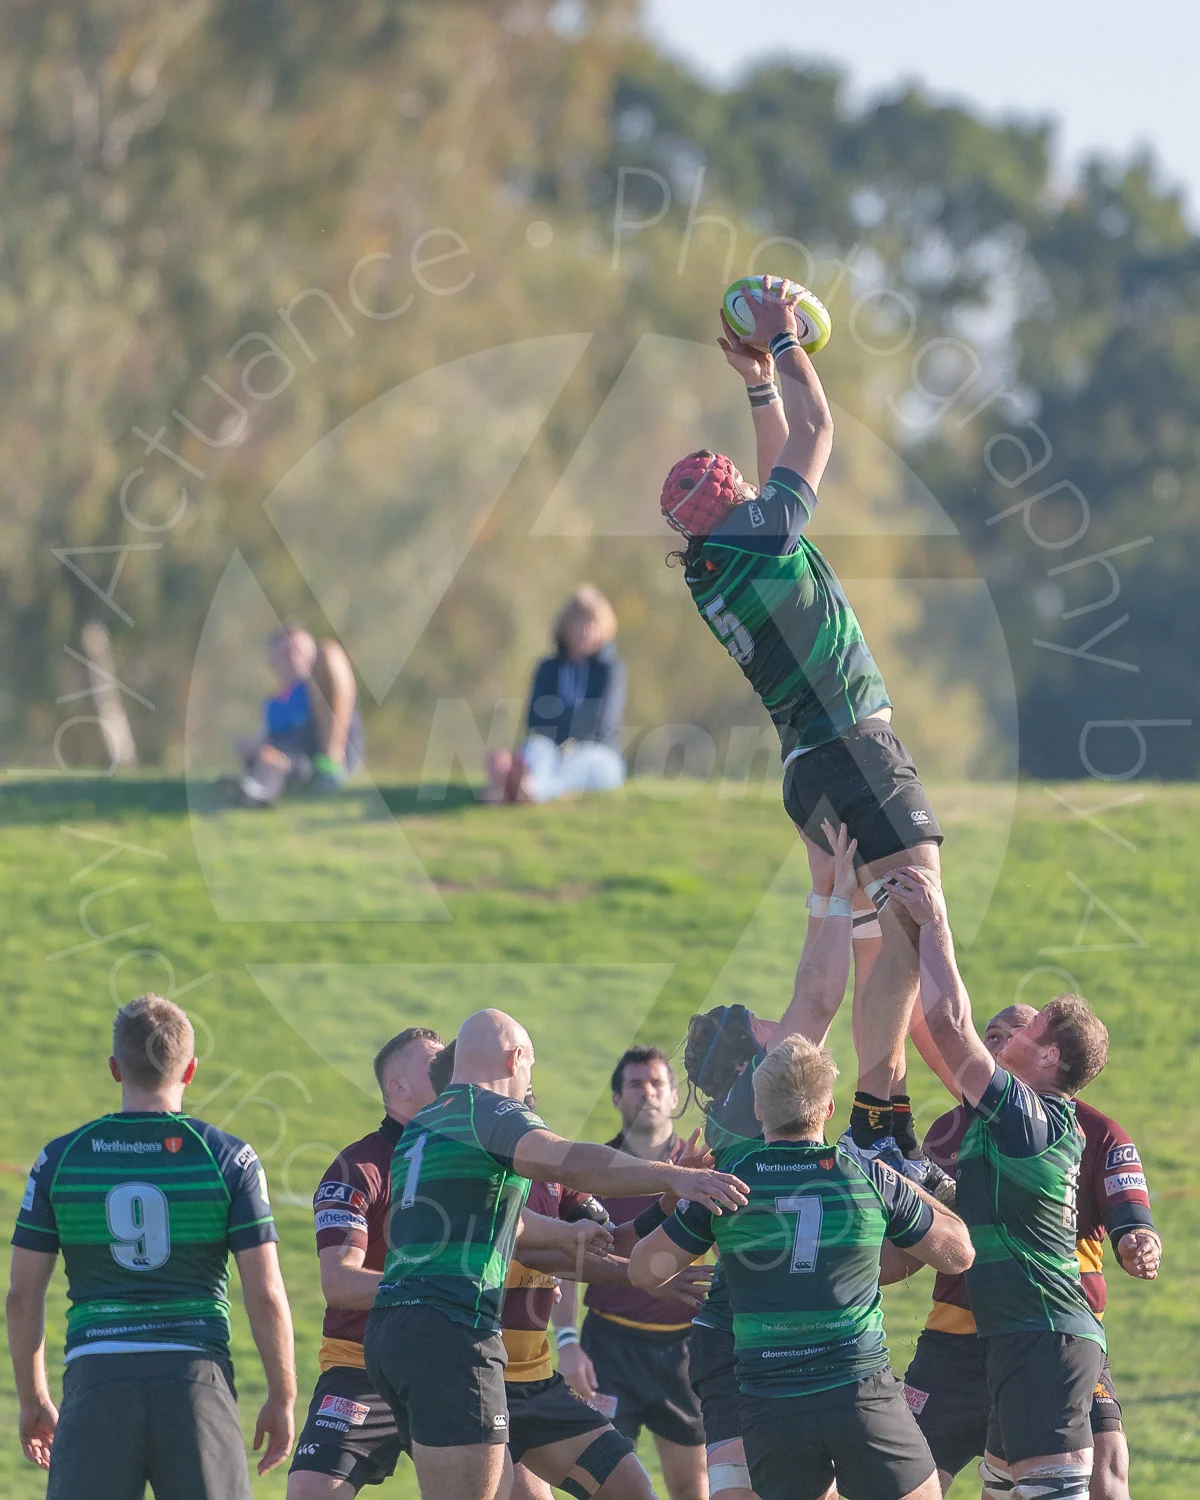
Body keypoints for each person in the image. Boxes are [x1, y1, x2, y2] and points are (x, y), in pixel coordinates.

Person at [660, 277, 942, 1173]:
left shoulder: (717, 560)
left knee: (872, 944)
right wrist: (784, 341)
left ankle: (880, 1124)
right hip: (854, 747)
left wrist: (756, 385)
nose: (758, 480)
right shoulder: (759, 539)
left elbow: (779, 456)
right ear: (738, 502)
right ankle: (879, 1122)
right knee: (915, 921)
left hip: (811, 768)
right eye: (746, 485)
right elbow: (816, 432)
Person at [362, 1009, 749, 1500]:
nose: (529, 1082)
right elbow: (571, 1162)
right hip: (452, 1334)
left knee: (626, 1485)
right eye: (530, 1066)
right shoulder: (487, 1109)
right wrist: (674, 1174)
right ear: (515, 1058)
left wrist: (664, 1207)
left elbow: (577, 1245)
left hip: (413, 1335)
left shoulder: (425, 1128)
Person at [629, 1033, 975, 1500]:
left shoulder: (728, 1184)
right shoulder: (868, 1176)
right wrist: (910, 1183)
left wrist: (688, 1193)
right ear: (828, 1108)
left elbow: (643, 1271)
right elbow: (958, 1254)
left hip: (771, 1402)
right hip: (859, 1391)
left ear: (759, 1109)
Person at [7, 994, 296, 1499]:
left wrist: (33, 1400)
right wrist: (283, 1394)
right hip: (195, 1378)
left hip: (97, 1379)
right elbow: (266, 1292)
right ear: (191, 1071)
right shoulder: (228, 1158)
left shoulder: (61, 1159)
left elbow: (21, 1296)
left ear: (115, 1069)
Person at [886, 865, 1115, 1500]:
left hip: (1045, 1339)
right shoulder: (1017, 1119)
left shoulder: (1026, 1116)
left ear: (1049, 1057)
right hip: (1015, 1338)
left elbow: (950, 1027)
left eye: (1029, 1030)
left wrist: (936, 922)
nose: (1012, 1034)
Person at [900, 1005, 1161, 1500]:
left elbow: (1131, 1210)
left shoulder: (1095, 1131)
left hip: (1049, 1334)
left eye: (1012, 1035)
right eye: (989, 1037)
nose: (996, 1047)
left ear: (1046, 1054)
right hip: (957, 1338)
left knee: (1103, 1471)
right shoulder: (952, 1127)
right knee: (908, 1483)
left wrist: (1139, 1240)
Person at [681, 820, 859, 1500]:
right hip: (758, 1328)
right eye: (758, 1023)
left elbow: (806, 987)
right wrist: (840, 899)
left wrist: (822, 892)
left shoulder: (733, 1108)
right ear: (746, 1057)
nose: (772, 1022)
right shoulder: (755, 1093)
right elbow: (816, 998)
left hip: (747, 1320)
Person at [287, 1025, 445, 1499]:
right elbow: (340, 1282)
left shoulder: (472, 1163)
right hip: (360, 1367)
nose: (451, 1073)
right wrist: (431, 1285)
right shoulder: (358, 1169)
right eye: (435, 1065)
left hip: (448, 1366)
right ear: (398, 1086)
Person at [553, 1048, 706, 1500]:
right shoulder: (595, 1172)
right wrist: (567, 1342)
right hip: (609, 1348)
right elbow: (567, 1261)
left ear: (675, 1096)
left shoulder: (701, 1170)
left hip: (684, 1348)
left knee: (691, 1484)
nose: (648, 1093)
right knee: (603, 1483)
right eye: (636, 1084)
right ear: (617, 1098)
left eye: (657, 1083)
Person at [486, 584, 626, 804]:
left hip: (596, 751)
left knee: (581, 764)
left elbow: (601, 721)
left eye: (593, 624)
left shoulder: (610, 670)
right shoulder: (548, 668)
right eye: (580, 623)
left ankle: (529, 790)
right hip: (550, 747)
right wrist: (561, 737)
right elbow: (535, 718)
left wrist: (563, 730)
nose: (586, 631)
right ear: (566, 627)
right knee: (537, 751)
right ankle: (517, 782)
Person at [228, 623, 364, 808]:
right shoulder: (271, 705)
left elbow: (331, 660)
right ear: (272, 662)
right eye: (287, 653)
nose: (296, 659)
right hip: (295, 764)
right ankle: (258, 792)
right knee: (263, 754)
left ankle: (330, 764)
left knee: (329, 651)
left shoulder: (325, 688)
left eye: (302, 651)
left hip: (331, 758)